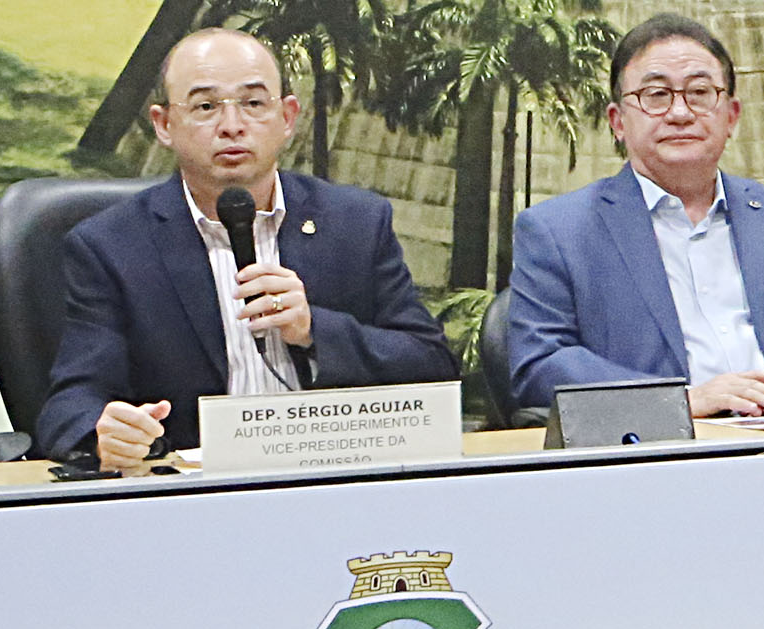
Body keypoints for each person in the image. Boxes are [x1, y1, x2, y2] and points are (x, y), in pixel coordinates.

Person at [39, 27, 457, 472]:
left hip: (335, 476)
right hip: (195, 492)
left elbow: (432, 365)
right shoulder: (110, 246)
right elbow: (70, 403)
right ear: (163, 125)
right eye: (205, 107)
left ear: (287, 117)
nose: (232, 126)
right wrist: (104, 433)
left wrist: (314, 330)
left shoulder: (355, 223)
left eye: (254, 103)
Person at [506, 14, 764, 417]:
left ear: (731, 116)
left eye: (700, 92)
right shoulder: (557, 231)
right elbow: (542, 361)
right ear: (618, 122)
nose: (680, 113)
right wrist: (681, 402)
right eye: (656, 95)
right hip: (662, 445)